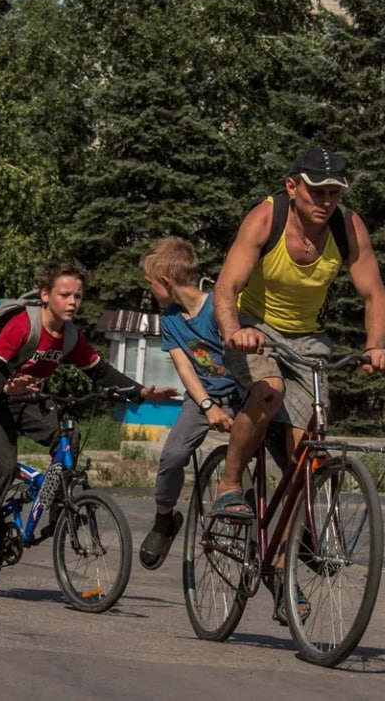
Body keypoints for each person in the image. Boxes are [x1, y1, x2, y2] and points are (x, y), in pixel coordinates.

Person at [212, 146, 385, 619]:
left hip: (309, 339)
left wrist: (376, 344)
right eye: (317, 190)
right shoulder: (265, 218)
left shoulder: (347, 228)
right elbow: (227, 287)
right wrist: (234, 332)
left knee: (307, 460)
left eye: (334, 192)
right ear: (293, 187)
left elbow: (374, 292)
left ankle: (277, 568)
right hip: (254, 328)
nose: (326, 200)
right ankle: (230, 483)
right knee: (267, 389)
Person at [0, 259, 177, 570]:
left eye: (77, 296)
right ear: (46, 295)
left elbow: (100, 371)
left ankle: (61, 510)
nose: (72, 302)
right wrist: (7, 387)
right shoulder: (23, 323)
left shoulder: (70, 336)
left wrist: (142, 393)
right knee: (4, 464)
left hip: (30, 400)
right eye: (65, 295)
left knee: (68, 435)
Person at [137, 237, 239, 571]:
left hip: (240, 394)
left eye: (151, 284)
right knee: (173, 455)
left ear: (166, 281)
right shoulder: (170, 319)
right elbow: (185, 368)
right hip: (201, 398)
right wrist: (208, 405)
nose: (150, 291)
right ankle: (165, 518)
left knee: (270, 449)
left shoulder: (218, 307)